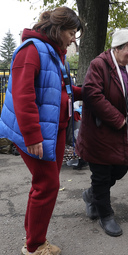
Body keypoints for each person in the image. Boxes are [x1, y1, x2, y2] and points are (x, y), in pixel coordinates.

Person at [0, 7, 84, 255]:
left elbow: (62, 90)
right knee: (48, 185)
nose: (73, 39)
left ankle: (32, 237)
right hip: (37, 133)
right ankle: (34, 246)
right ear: (58, 30)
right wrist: (32, 136)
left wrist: (87, 91)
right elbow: (23, 97)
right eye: (71, 33)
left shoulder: (56, 53)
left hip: (55, 130)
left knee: (43, 184)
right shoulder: (32, 50)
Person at [75, 28, 128, 237]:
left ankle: (91, 195)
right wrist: (117, 118)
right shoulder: (99, 65)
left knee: (120, 168)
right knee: (102, 174)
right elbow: (92, 94)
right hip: (100, 130)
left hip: (122, 131)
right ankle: (106, 215)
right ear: (117, 48)